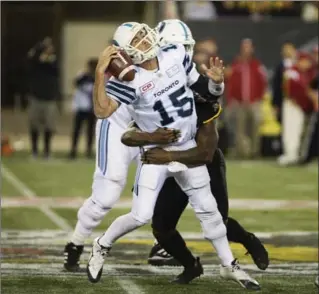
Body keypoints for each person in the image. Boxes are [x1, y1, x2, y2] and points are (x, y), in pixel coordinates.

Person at [86, 21, 260, 290]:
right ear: (127, 52)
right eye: (138, 41)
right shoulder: (129, 80)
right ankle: (102, 244)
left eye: (145, 35)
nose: (146, 41)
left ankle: (230, 266)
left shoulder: (176, 55)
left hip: (187, 147)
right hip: (156, 155)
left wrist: (217, 83)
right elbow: (102, 111)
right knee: (141, 215)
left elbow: (207, 90)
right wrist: (100, 72)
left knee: (210, 213)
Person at [226, 38, 267, 158]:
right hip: (238, 102)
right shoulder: (236, 64)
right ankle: (243, 152)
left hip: (254, 102)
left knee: (255, 125)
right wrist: (231, 100)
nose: (246, 50)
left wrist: (259, 99)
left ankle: (255, 151)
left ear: (252, 49)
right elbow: (231, 84)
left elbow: (262, 83)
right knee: (240, 128)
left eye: (248, 47)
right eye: (244, 47)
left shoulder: (257, 65)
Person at [278, 53, 313, 166]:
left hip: (300, 106)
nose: (308, 64)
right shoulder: (292, 72)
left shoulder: (305, 74)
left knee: (297, 131)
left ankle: (294, 154)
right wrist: (291, 97)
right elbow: (287, 86)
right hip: (292, 105)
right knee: (290, 130)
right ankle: (290, 154)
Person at [27, 37, 59, 159]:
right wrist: (38, 49)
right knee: (34, 125)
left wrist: (48, 59)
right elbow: (30, 61)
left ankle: (47, 151)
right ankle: (34, 151)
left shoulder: (53, 61)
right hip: (35, 97)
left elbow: (55, 70)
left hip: (49, 98)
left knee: (49, 127)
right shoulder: (35, 60)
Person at [69, 58, 98, 159]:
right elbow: (76, 82)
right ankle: (73, 150)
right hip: (81, 107)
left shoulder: (98, 76)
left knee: (90, 131)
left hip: (92, 108)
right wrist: (87, 75)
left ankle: (89, 151)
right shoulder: (83, 74)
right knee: (77, 130)